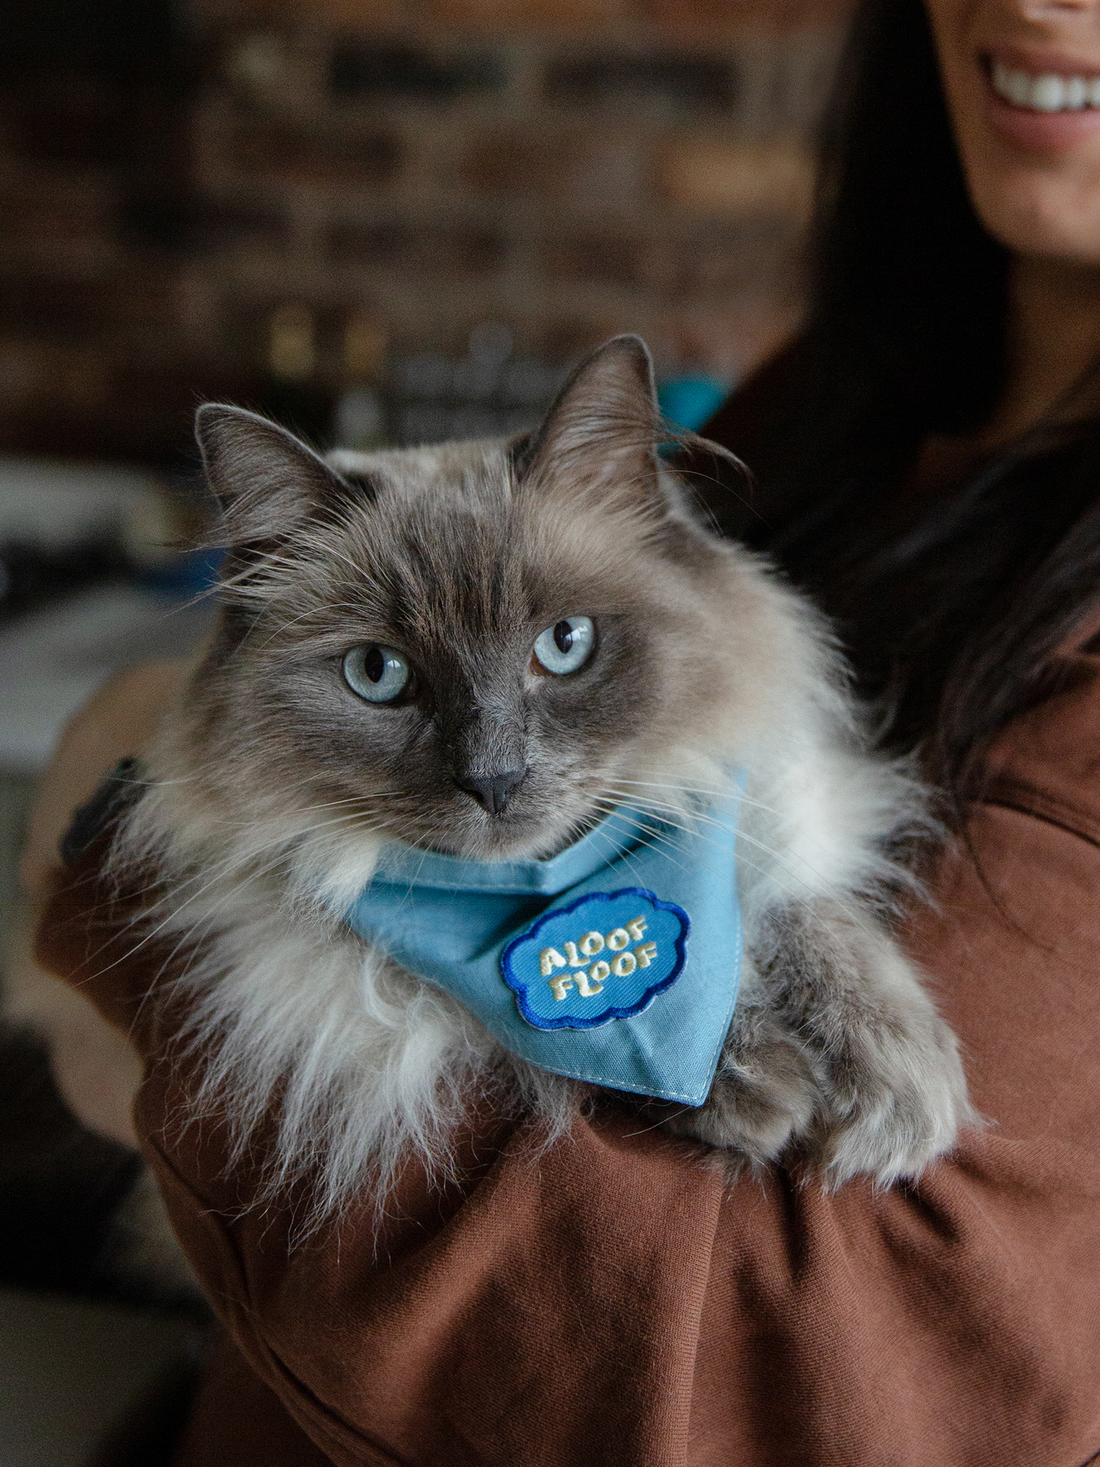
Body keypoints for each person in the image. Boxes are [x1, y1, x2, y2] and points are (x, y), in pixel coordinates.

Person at [25, 0, 1100, 1457]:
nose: (494, 768)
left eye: (564, 652)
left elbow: (788, 1373)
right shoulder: (850, 381)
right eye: (397, 685)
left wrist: (118, 875)